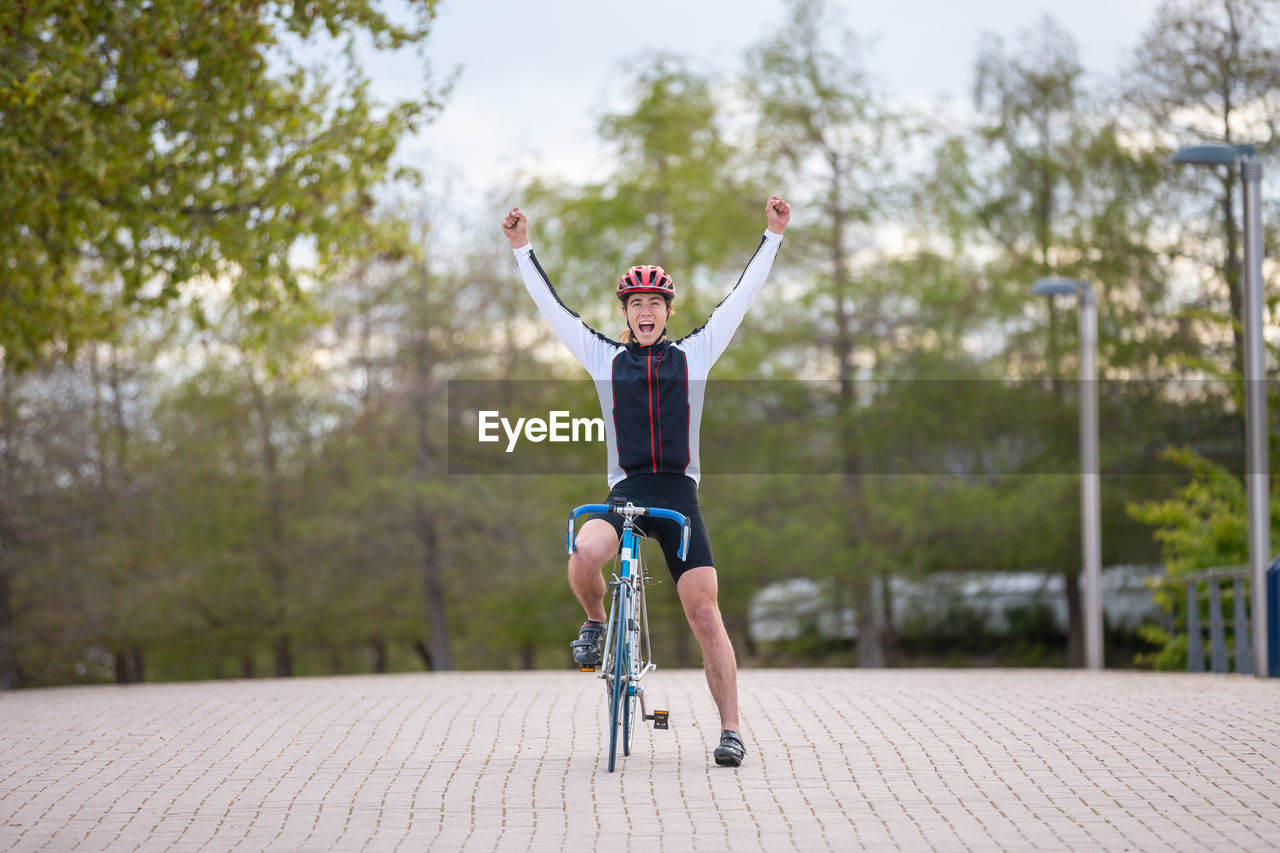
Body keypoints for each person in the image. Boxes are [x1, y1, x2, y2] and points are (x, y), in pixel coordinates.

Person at [501, 195, 791, 768]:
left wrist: (773, 236)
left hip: (679, 496)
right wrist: (521, 248)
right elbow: (553, 308)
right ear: (626, 313)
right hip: (628, 493)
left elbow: (741, 297)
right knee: (585, 551)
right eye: (636, 303)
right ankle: (595, 623)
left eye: (655, 301)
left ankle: (731, 730)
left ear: (667, 309)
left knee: (705, 613)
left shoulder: (697, 352)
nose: (646, 311)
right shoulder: (603, 357)